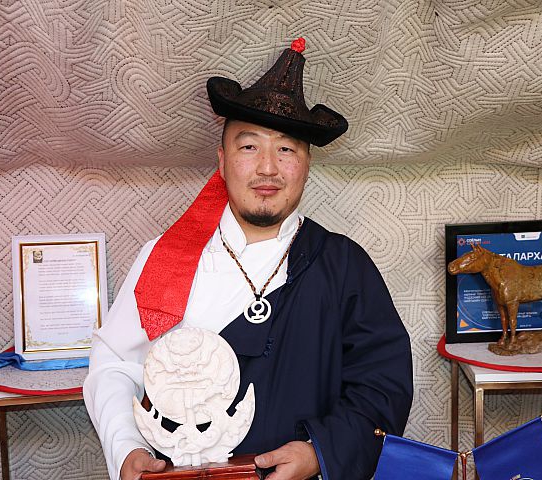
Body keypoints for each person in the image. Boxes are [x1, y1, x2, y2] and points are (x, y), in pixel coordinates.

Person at [83, 38, 413, 480]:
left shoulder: (343, 266)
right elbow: (115, 365)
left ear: (307, 164)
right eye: (249, 147)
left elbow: (382, 385)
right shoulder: (168, 258)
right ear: (222, 161)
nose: (268, 168)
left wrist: (319, 452)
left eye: (286, 149)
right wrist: (126, 447)